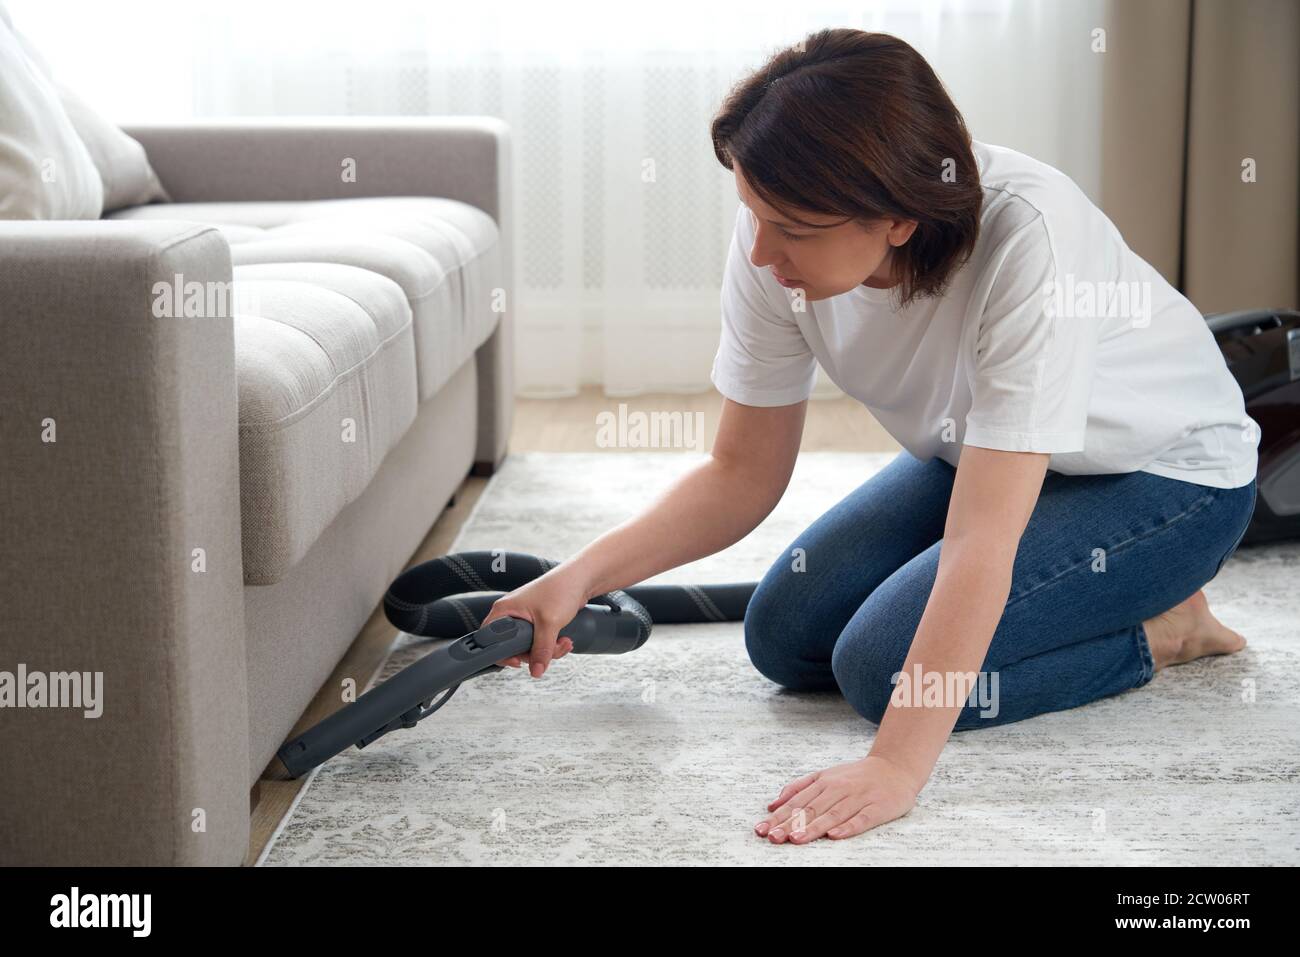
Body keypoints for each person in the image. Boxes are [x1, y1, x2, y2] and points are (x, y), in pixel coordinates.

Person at [481, 28, 1260, 845]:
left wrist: (895, 766)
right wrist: (576, 577)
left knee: (882, 673)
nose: (760, 250)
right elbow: (741, 471)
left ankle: (1165, 629)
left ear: (898, 217)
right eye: (753, 213)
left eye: (791, 227)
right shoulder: (775, 240)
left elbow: (981, 541)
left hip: (1168, 477)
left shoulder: (1032, 240)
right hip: (982, 454)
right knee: (783, 636)